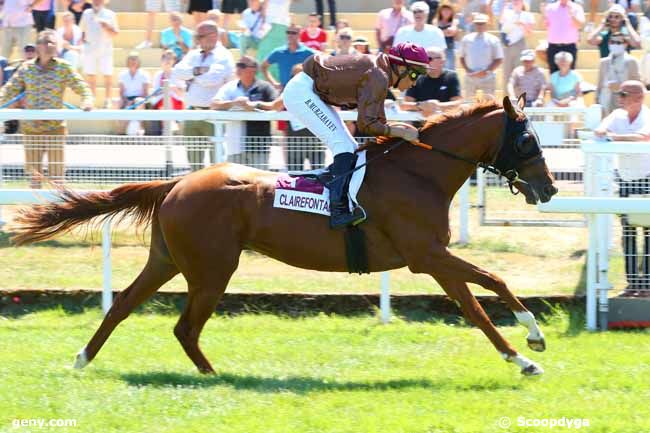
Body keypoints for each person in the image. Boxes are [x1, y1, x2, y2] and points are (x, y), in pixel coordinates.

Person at [281, 42, 428, 229]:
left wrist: (400, 129)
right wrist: (400, 131)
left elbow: (377, 122)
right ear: (400, 67)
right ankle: (337, 210)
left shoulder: (381, 73)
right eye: (415, 74)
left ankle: (335, 195)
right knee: (342, 146)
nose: (415, 82)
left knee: (350, 147)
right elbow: (366, 125)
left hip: (309, 90)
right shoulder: (379, 76)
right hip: (302, 93)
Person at [0, 30, 93, 188]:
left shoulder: (63, 67)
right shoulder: (26, 68)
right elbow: (9, 90)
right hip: (31, 131)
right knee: (34, 177)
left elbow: (81, 87)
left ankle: (61, 212)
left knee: (58, 178)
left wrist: (87, 101)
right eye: (47, 42)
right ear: (38, 46)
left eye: (53, 43)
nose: (50, 46)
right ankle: (36, 211)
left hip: (55, 129)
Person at [594, 80, 650, 293]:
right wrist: (609, 135)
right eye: (620, 93)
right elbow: (600, 130)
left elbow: (645, 137)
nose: (620, 97)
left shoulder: (648, 116)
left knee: (649, 234)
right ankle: (632, 283)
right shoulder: (617, 115)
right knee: (627, 233)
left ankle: (647, 284)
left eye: (624, 94)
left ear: (638, 97)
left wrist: (613, 138)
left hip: (647, 179)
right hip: (626, 181)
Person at [171, 20, 234, 171]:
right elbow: (177, 72)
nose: (197, 40)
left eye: (200, 36)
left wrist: (191, 75)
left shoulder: (224, 55)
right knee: (194, 161)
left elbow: (212, 79)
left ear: (214, 36)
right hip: (192, 112)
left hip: (215, 115)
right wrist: (198, 71)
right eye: (197, 36)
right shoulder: (194, 54)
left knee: (217, 163)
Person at [211, 55, 280, 167]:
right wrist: (233, 103)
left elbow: (276, 105)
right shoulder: (230, 87)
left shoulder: (265, 87)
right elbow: (214, 104)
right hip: (234, 146)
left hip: (259, 145)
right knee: (234, 182)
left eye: (241, 65)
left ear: (253, 69)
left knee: (258, 181)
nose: (238, 68)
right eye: (237, 65)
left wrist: (255, 106)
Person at [400, 46, 462, 117]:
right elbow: (405, 105)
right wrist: (421, 105)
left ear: (442, 61)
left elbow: (457, 104)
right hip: (420, 122)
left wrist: (436, 106)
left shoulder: (451, 77)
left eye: (429, 59)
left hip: (444, 123)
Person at [79, 0, 119, 108]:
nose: (97, 1)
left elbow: (115, 33)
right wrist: (82, 44)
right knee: (91, 76)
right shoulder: (86, 13)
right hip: (90, 48)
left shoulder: (110, 14)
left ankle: (108, 100)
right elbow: (82, 31)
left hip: (105, 49)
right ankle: (91, 101)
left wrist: (107, 27)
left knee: (108, 76)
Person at [459, 13, 503, 99]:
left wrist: (487, 71)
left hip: (488, 77)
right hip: (470, 76)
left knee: (489, 104)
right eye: (478, 23)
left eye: (482, 23)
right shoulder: (466, 39)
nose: (480, 25)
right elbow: (461, 57)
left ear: (486, 24)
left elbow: (499, 59)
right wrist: (468, 70)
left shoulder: (493, 40)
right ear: (474, 24)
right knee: (469, 103)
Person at [596, 32, 641, 115]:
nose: (615, 45)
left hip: (625, 103)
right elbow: (599, 86)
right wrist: (596, 102)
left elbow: (638, 86)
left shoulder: (632, 62)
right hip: (605, 101)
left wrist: (620, 87)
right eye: (612, 42)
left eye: (618, 43)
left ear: (625, 44)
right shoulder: (603, 62)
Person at [261, 24, 314, 91]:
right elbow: (263, 67)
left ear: (299, 35)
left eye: (293, 33)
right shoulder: (279, 52)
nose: (290, 35)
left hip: (303, 90)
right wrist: (274, 83)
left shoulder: (308, 52)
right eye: (288, 32)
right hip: (284, 90)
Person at [499, 0, 535, 91]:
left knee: (520, 74)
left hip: (520, 44)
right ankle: (506, 101)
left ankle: (520, 102)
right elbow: (501, 24)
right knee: (507, 74)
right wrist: (505, 5)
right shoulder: (507, 12)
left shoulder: (527, 15)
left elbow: (530, 33)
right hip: (507, 45)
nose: (515, 1)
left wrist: (522, 24)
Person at [543, 0, 585, 73]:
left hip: (569, 47)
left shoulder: (577, 8)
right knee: (554, 75)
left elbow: (580, 25)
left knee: (569, 76)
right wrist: (543, 15)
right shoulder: (550, 7)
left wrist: (572, 15)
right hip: (553, 47)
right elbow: (545, 25)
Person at [255, 0, 292, 76]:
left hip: (282, 28)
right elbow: (262, 12)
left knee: (281, 56)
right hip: (268, 28)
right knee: (264, 55)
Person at [435, 2, 459, 70]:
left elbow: (452, 32)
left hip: (449, 50)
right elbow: (435, 34)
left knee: (450, 70)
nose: (446, 12)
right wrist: (445, 32)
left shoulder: (454, 21)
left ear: (452, 12)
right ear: (440, 11)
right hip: (438, 50)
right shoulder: (435, 21)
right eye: (444, 10)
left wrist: (440, 32)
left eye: (448, 10)